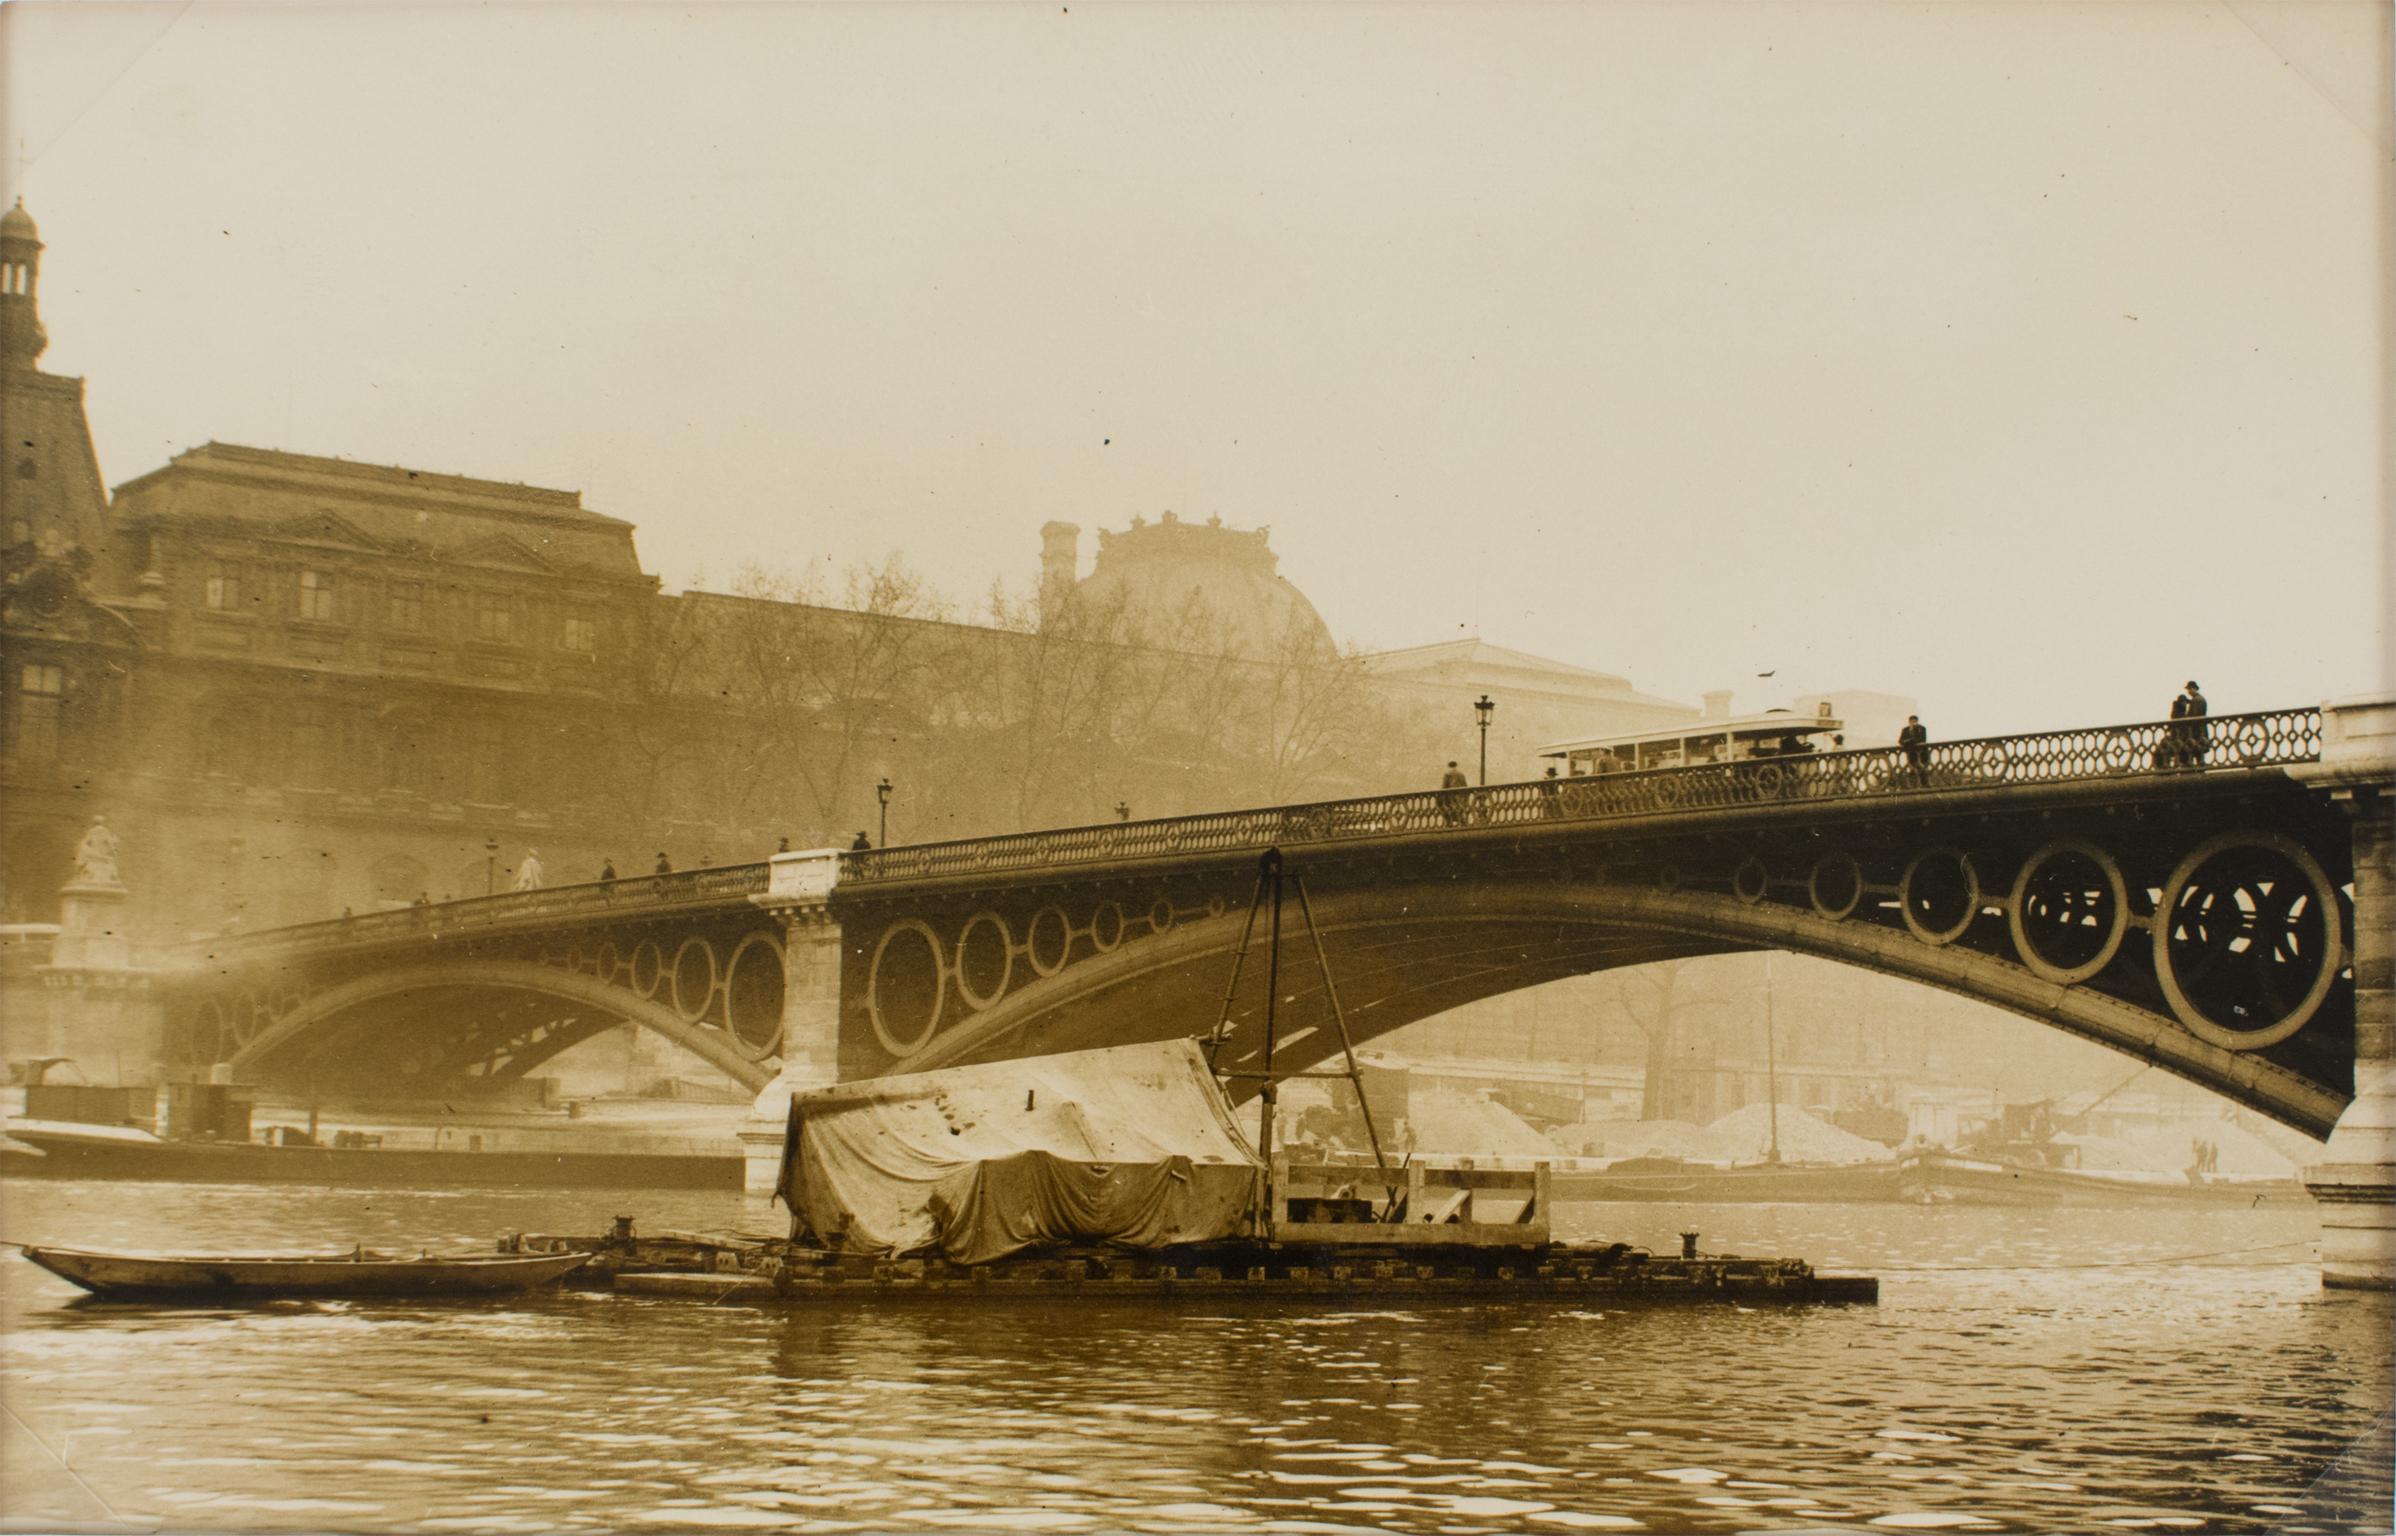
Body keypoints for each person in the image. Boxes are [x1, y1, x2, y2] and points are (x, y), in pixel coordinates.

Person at [2168, 680, 2208, 769]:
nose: (2188, 691)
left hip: (2197, 731)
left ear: (2194, 689)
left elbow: (2194, 716)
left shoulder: (2197, 700)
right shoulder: (2199, 699)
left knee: (2196, 751)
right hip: (2200, 730)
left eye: (2189, 689)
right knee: (2198, 753)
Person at [1897, 715, 1930, 785]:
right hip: (1911, 753)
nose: (1913, 723)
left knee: (1922, 768)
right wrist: (1908, 741)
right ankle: (1915, 784)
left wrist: (1908, 741)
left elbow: (1922, 739)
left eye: (1915, 721)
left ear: (1917, 722)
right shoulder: (1905, 730)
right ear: (1909, 722)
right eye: (1912, 721)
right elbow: (1900, 741)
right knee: (1913, 768)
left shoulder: (1922, 728)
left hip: (1921, 753)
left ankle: (1924, 783)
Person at [1439, 760, 1469, 824]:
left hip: (1451, 797)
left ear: (1449, 767)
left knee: (1447, 808)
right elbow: (1465, 785)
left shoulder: (1447, 775)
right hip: (1460, 796)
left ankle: (1449, 822)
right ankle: (1462, 821)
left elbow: (1444, 787)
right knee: (1460, 809)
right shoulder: (1461, 774)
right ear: (1456, 766)